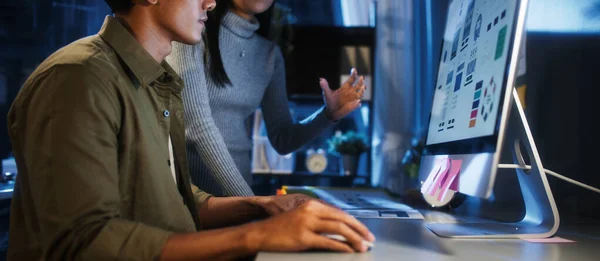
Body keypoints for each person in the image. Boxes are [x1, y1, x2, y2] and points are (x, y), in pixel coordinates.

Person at [6, 0, 375, 260]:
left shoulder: (156, 81)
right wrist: (256, 235)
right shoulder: (78, 78)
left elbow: (176, 199)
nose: (210, 3)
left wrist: (263, 206)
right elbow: (83, 242)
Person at [166, 0, 367, 196]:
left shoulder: (269, 54)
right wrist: (249, 201)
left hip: (239, 194)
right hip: (189, 195)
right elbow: (197, 125)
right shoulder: (192, 32)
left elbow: (282, 139)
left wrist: (328, 115)